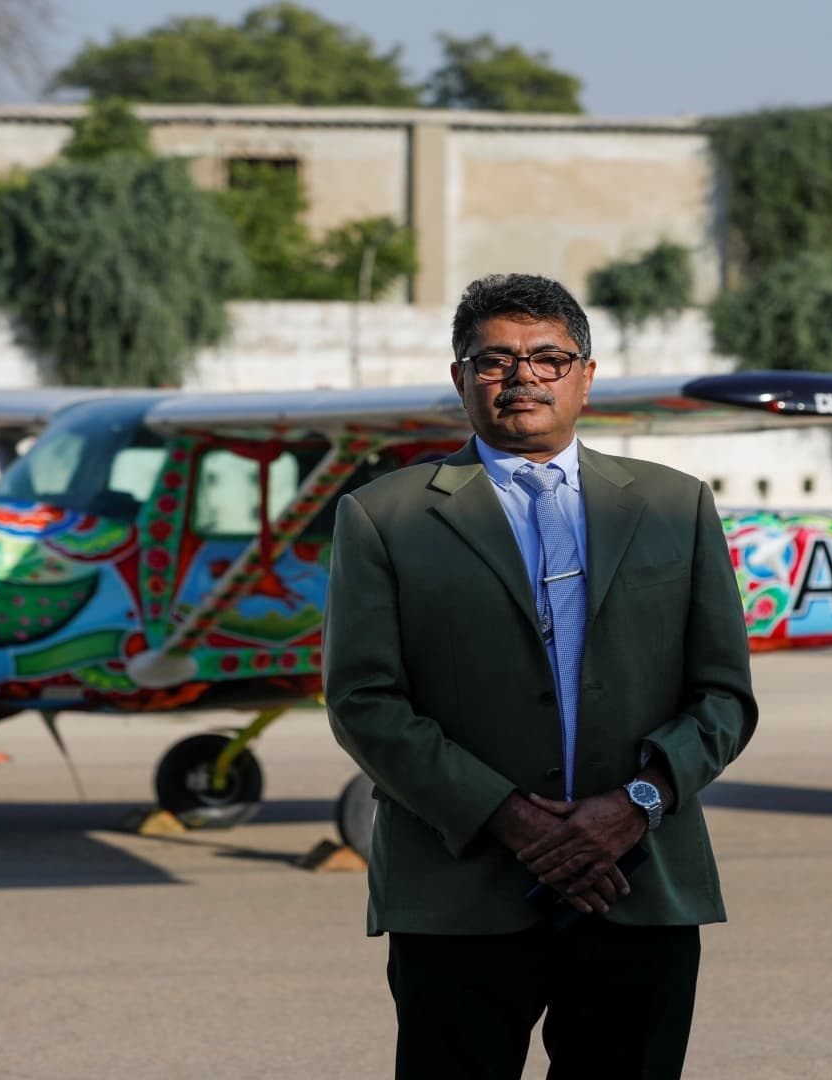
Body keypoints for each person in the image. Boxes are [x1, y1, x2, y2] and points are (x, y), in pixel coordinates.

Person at [323, 273, 758, 1079]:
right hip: (458, 898)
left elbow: (724, 696)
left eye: (549, 357)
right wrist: (513, 821)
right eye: (493, 361)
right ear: (460, 379)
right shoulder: (385, 517)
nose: (522, 376)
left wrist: (636, 804)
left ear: (585, 376)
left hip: (638, 887)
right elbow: (364, 703)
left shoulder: (675, 506)